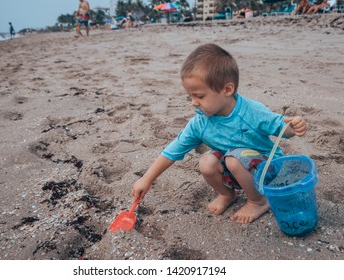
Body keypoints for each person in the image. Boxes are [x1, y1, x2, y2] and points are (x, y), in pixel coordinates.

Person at [132, 44, 307, 224]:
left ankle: (258, 201)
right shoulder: (200, 123)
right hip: (237, 171)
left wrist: (294, 127)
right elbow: (172, 151)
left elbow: (281, 129)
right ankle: (226, 194)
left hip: (270, 171)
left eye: (200, 96)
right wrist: (146, 179)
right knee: (207, 162)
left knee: (234, 158)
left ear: (227, 90)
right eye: (190, 96)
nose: (194, 102)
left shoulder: (251, 111)